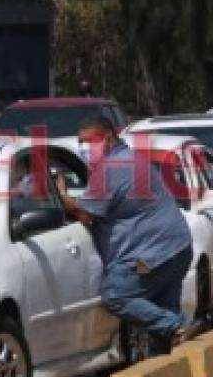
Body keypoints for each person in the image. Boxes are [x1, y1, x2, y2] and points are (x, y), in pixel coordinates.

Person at [55, 115, 201, 355]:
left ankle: (179, 325)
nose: (84, 148)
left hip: (149, 258)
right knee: (160, 325)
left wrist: (58, 194)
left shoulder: (112, 169)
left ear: (109, 138)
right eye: (80, 142)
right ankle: (167, 366)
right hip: (176, 247)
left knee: (115, 296)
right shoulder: (130, 159)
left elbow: (82, 210)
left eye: (89, 141)